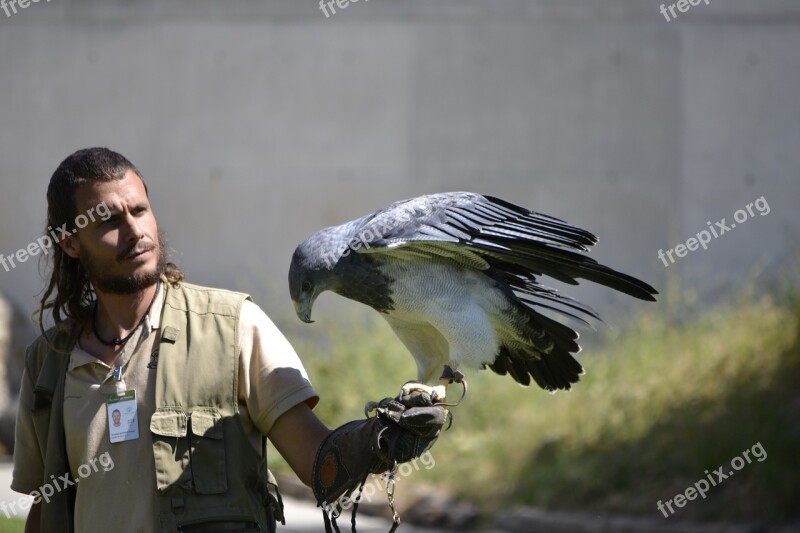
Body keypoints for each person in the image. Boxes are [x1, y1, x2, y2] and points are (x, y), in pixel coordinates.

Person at [11, 148, 446, 533]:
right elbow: (46, 507)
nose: (134, 231)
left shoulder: (234, 326)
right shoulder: (47, 363)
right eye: (108, 220)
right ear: (69, 243)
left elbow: (319, 465)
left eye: (140, 211)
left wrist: (378, 438)